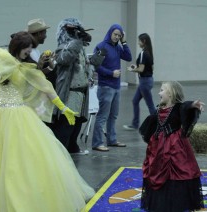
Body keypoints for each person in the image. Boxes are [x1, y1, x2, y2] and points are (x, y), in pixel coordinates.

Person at [0, 20, 95, 211]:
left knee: (15, 163)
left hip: (17, 117)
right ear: (18, 47)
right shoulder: (1, 57)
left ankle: (17, 201)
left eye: (31, 49)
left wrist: (64, 108)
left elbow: (47, 89)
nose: (29, 52)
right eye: (27, 49)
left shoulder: (29, 69)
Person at [140, 81, 205, 212]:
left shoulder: (178, 108)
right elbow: (153, 123)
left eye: (162, 90)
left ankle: (175, 202)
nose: (159, 93)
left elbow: (185, 106)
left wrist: (193, 104)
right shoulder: (159, 108)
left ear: (171, 94)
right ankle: (161, 202)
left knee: (177, 173)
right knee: (157, 172)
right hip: (158, 148)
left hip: (175, 147)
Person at [52, 18, 98, 155]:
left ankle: (72, 148)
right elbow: (65, 59)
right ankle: (60, 153)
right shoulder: (63, 48)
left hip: (81, 93)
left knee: (77, 124)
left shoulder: (80, 49)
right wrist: (77, 41)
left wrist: (99, 57)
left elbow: (87, 65)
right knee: (66, 125)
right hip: (69, 93)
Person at [91, 24, 132, 152]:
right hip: (105, 87)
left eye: (119, 35)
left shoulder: (118, 47)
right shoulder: (102, 47)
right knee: (103, 115)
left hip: (116, 86)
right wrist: (111, 73)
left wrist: (124, 42)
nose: (117, 37)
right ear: (110, 33)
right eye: (115, 34)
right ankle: (97, 143)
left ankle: (112, 140)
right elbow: (96, 66)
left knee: (113, 115)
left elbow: (128, 57)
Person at [123, 33, 156, 131]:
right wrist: (136, 67)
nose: (138, 43)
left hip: (144, 82)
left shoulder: (143, 53)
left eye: (139, 41)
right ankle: (135, 124)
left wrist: (132, 69)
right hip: (148, 81)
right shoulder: (149, 52)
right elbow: (151, 68)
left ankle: (158, 124)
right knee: (135, 101)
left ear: (144, 41)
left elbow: (141, 69)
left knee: (150, 105)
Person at [27, 18, 56, 85]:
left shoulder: (35, 50)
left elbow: (39, 73)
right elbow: (33, 76)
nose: (45, 36)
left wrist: (50, 65)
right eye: (44, 33)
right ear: (39, 34)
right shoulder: (28, 52)